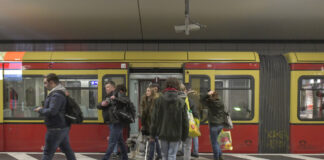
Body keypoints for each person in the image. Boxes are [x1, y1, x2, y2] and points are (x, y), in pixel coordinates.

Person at [34, 73, 76, 160]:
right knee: (67, 150)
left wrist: (40, 110)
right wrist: (44, 108)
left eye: (45, 83)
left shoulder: (56, 95)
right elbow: (55, 108)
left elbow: (52, 111)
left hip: (55, 128)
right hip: (62, 126)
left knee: (47, 153)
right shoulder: (60, 92)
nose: (45, 85)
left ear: (52, 82)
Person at [150, 77, 188, 160]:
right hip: (176, 133)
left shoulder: (159, 100)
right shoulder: (181, 102)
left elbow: (154, 119)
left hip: (162, 133)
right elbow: (185, 120)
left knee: (164, 155)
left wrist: (152, 135)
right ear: (177, 87)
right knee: (172, 155)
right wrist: (184, 136)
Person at [97, 81, 128, 160]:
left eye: (108, 87)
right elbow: (98, 105)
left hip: (116, 122)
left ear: (113, 88)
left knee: (112, 142)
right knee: (120, 141)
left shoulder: (117, 94)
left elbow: (124, 101)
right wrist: (102, 104)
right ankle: (125, 157)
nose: (106, 89)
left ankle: (105, 158)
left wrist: (115, 99)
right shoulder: (107, 96)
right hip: (111, 122)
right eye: (105, 87)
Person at [200, 90, 226, 160]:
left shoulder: (210, 103)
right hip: (221, 124)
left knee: (214, 142)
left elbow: (201, 100)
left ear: (211, 96)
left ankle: (216, 158)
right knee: (217, 141)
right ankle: (220, 156)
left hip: (214, 125)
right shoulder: (221, 102)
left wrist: (207, 94)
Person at [178, 84, 200, 160]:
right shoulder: (189, 100)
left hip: (177, 126)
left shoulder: (174, 100)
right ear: (185, 91)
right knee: (187, 146)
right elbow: (195, 113)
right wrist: (196, 124)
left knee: (174, 146)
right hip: (188, 125)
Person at [140, 87, 162, 160]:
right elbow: (143, 114)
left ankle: (150, 157)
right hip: (147, 123)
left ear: (152, 92)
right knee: (154, 139)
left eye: (148, 91)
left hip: (154, 124)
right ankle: (159, 155)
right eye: (146, 90)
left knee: (152, 140)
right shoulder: (145, 100)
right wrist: (142, 124)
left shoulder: (155, 101)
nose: (147, 92)